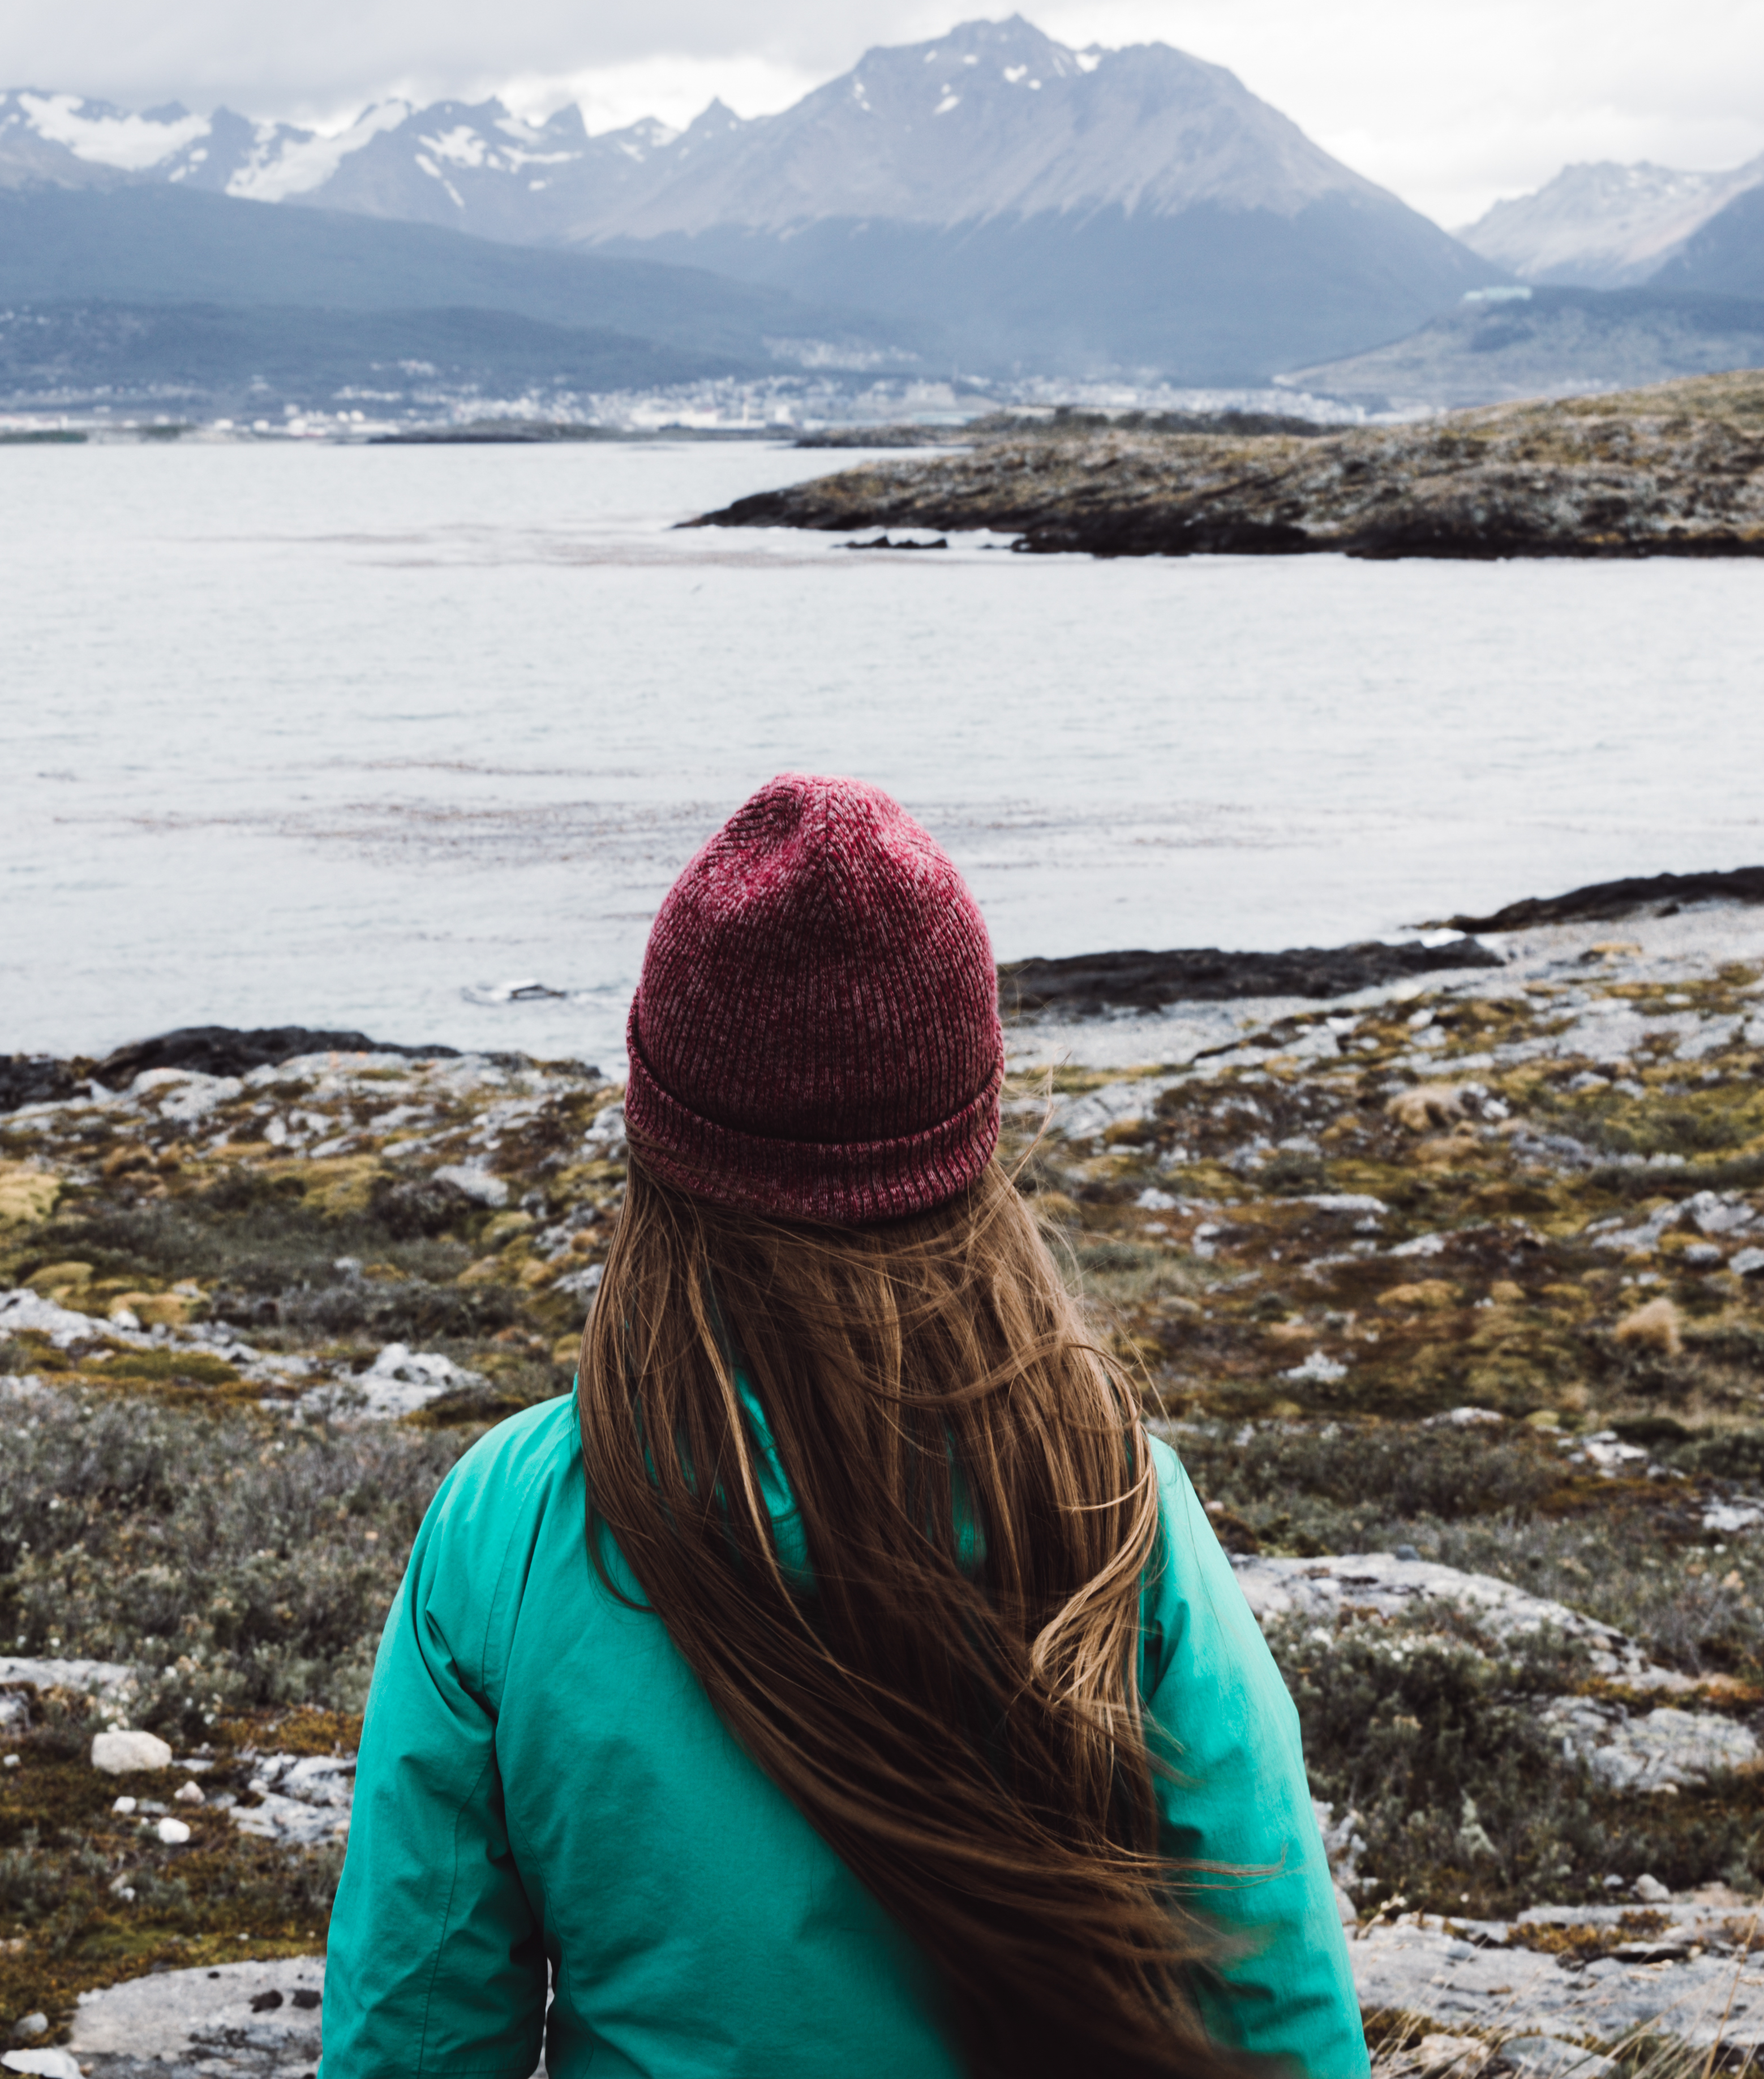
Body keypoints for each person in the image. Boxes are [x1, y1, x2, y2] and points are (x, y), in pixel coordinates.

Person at [321, 774, 1369, 2078]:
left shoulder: (514, 1525)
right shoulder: (1111, 1507)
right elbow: (1278, 2015)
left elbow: (412, 2036)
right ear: (966, 1149)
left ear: (661, 1139)